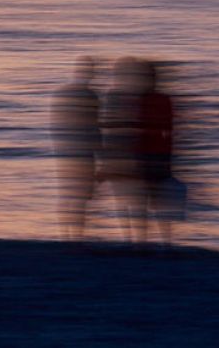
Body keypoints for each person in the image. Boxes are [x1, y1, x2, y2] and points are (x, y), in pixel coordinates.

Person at [50, 57, 101, 242]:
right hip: (83, 153)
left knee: (68, 194)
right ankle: (75, 236)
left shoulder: (62, 93)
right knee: (79, 197)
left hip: (67, 151)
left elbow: (55, 124)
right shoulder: (91, 96)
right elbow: (94, 127)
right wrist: (100, 153)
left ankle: (67, 236)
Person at [100, 57, 148, 244]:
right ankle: (138, 240)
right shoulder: (137, 95)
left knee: (125, 200)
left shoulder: (114, 96)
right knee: (135, 200)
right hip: (132, 154)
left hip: (120, 154)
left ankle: (130, 239)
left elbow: (107, 127)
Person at [138, 61, 178, 247]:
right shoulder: (161, 100)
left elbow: (140, 131)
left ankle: (148, 240)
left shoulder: (145, 100)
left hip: (150, 155)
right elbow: (169, 130)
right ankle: (164, 240)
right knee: (157, 200)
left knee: (149, 199)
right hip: (157, 154)